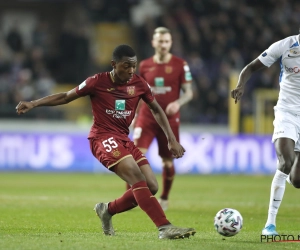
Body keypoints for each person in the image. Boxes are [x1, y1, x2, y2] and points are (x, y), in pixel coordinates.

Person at [16, 44, 196, 240]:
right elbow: (66, 97)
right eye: (126, 66)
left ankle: (106, 210)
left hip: (124, 139)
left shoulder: (139, 84)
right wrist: (33, 103)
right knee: (137, 177)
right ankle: (164, 227)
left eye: (133, 66)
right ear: (113, 64)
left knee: (152, 186)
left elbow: (156, 109)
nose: (130, 71)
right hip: (102, 138)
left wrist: (171, 139)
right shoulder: (97, 81)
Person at [231, 32, 300, 236]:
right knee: (285, 161)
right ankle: (270, 225)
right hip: (286, 112)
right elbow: (251, 66)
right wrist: (241, 84)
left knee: (297, 180)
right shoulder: (285, 45)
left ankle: (288, 176)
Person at [130, 27, 193, 211]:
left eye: (166, 41)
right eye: (160, 41)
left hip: (169, 119)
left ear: (170, 43)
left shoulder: (181, 64)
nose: (163, 45)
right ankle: (132, 198)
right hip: (146, 117)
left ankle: (164, 197)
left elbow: (189, 92)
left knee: (167, 161)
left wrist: (178, 103)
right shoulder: (144, 65)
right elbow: (138, 93)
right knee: (135, 158)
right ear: (153, 43)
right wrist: (134, 114)